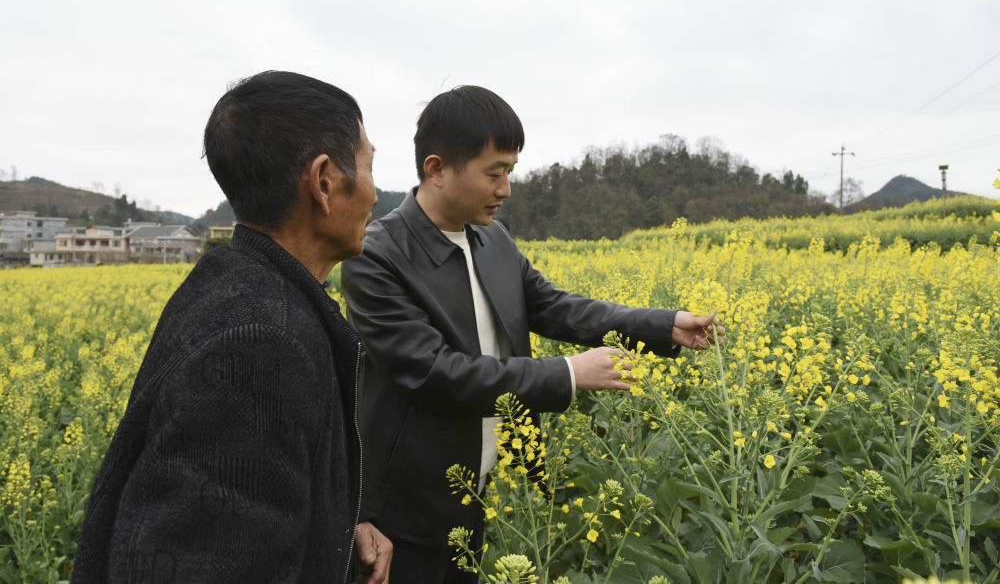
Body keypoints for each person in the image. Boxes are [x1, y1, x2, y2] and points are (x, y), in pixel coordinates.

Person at [340, 85, 722, 582]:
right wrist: (566, 374)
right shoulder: (376, 257)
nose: (506, 190)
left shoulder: (492, 238)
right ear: (436, 169)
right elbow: (432, 373)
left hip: (495, 492)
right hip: (409, 507)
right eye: (494, 174)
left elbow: (555, 306)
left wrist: (660, 325)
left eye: (510, 173)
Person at [73, 71, 392, 583]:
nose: (376, 195)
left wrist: (332, 525)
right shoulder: (262, 347)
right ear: (325, 181)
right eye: (371, 166)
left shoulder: (232, 284)